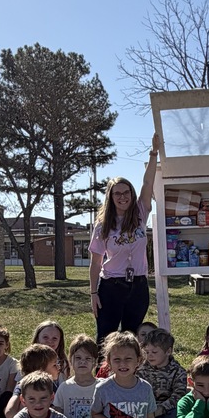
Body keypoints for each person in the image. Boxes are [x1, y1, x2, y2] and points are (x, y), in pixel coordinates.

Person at [89, 136, 159, 341]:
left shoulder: (140, 212)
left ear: (131, 193)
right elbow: (95, 263)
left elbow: (148, 182)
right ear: (111, 198)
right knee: (106, 337)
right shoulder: (103, 225)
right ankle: (103, 372)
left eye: (126, 192)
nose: (122, 197)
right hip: (111, 286)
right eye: (117, 194)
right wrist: (93, 293)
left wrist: (153, 154)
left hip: (138, 285)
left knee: (132, 337)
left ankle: (130, 373)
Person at [53, 335, 106, 418]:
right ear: (70, 360)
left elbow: (105, 417)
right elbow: (57, 416)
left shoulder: (102, 386)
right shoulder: (64, 387)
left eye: (88, 359)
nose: (83, 362)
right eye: (78, 358)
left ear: (95, 362)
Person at [137, 328, 188, 418]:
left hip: (164, 412)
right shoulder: (140, 369)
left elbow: (178, 395)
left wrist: (161, 409)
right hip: (144, 411)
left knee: (177, 414)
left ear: (168, 351)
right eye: (147, 352)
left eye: (154, 352)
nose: (150, 356)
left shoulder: (178, 371)